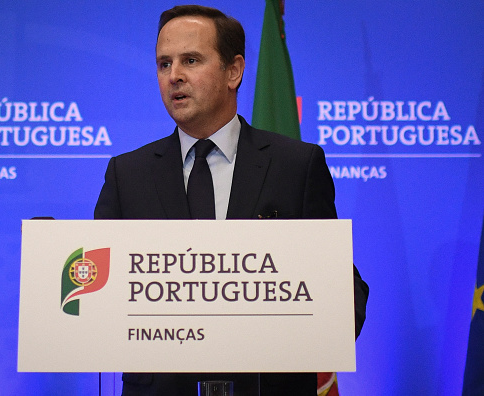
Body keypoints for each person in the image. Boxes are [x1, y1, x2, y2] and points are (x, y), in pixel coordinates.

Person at [94, 5, 369, 396]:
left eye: (191, 60)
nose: (174, 76)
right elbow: (105, 297)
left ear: (233, 71)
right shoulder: (127, 174)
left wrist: (303, 331)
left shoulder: (297, 165)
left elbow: (343, 287)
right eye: (163, 63)